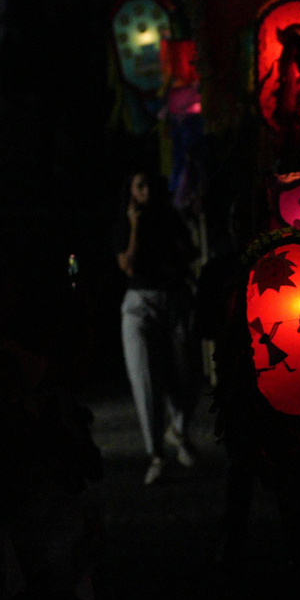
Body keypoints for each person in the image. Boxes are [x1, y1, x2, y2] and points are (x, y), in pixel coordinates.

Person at [113, 170, 196, 484]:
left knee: (186, 372)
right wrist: (135, 226)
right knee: (145, 381)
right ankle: (156, 454)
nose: (146, 191)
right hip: (139, 303)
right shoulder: (125, 222)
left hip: (173, 298)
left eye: (149, 185)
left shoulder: (170, 218)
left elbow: (189, 253)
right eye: (139, 186)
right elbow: (128, 266)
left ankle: (179, 431)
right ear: (131, 192)